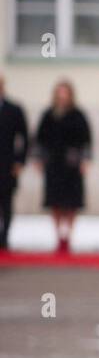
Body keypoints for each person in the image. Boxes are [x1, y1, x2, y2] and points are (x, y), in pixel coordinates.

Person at [33, 80, 92, 254]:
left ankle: (68, 235)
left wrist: (85, 160)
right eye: (60, 93)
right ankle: (58, 234)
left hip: (72, 165)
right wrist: (38, 159)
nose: (62, 96)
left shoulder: (78, 115)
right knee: (55, 201)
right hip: (53, 164)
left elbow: (86, 140)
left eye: (65, 93)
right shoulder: (48, 115)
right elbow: (39, 139)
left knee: (71, 202)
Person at [0, 74, 29, 250]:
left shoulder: (14, 109)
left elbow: (24, 137)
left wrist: (19, 161)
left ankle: (4, 237)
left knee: (6, 203)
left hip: (6, 164)